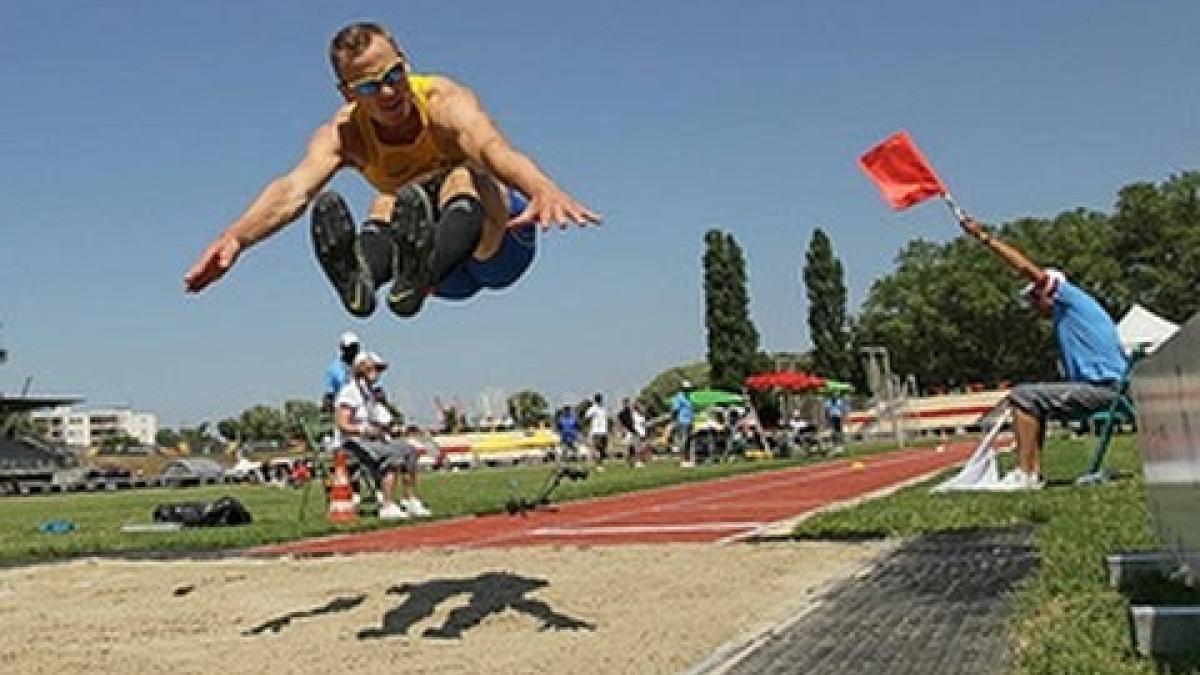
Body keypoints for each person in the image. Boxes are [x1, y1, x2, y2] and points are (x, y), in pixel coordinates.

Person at [184, 21, 601, 319]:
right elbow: (293, 190)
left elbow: (492, 147)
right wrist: (236, 238)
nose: (389, 92)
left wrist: (541, 188)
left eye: (394, 75)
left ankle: (419, 272)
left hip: (498, 245)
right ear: (348, 93)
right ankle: (365, 276)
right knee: (387, 203)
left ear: (405, 62)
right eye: (369, 87)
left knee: (462, 175)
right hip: (443, 280)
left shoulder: (442, 100)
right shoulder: (344, 134)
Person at [960, 215, 1127, 490]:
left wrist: (983, 238)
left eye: (1033, 299)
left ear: (1047, 291)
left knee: (1023, 396)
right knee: (1033, 398)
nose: (1033, 308)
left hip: (1106, 389)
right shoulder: (1072, 314)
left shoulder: (1069, 298)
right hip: (1108, 388)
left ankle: (1025, 475)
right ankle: (1031, 473)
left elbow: (1025, 267)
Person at [333, 351, 431, 518]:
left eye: (379, 369)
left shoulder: (370, 394)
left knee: (410, 451)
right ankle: (387, 505)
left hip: (372, 441)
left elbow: (385, 421)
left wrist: (396, 428)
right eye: (373, 368)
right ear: (361, 369)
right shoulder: (349, 393)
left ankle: (410, 500)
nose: (377, 373)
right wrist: (365, 430)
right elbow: (343, 424)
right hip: (351, 443)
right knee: (391, 454)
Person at [322, 331, 361, 414]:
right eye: (349, 348)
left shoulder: (364, 365)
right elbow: (329, 394)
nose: (352, 351)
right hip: (344, 410)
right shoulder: (334, 369)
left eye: (354, 347)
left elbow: (377, 389)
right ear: (342, 348)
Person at [671, 381, 695, 468]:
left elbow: (692, 410)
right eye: (686, 388)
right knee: (683, 441)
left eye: (689, 388)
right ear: (682, 388)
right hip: (682, 421)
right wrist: (674, 421)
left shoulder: (690, 397)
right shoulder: (679, 397)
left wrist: (693, 421)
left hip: (689, 421)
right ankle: (682, 460)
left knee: (688, 441)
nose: (688, 390)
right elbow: (675, 410)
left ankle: (687, 459)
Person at [584, 393, 609, 468]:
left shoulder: (603, 409)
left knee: (603, 448)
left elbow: (606, 419)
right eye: (598, 399)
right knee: (597, 447)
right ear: (595, 400)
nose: (600, 400)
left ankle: (600, 463)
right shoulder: (592, 409)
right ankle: (598, 464)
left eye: (600, 399)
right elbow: (586, 417)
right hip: (596, 431)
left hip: (604, 431)